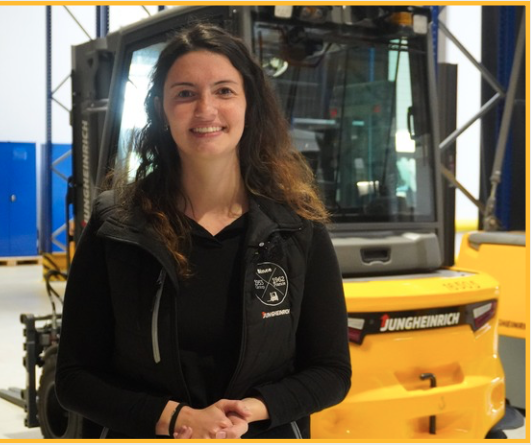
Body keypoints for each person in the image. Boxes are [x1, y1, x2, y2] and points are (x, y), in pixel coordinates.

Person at [55, 23, 351, 439]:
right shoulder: (116, 225)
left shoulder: (297, 227)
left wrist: (248, 412)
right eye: (185, 93)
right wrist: (177, 418)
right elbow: (74, 378)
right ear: (160, 108)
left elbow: (331, 371)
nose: (205, 109)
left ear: (250, 104)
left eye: (224, 91)